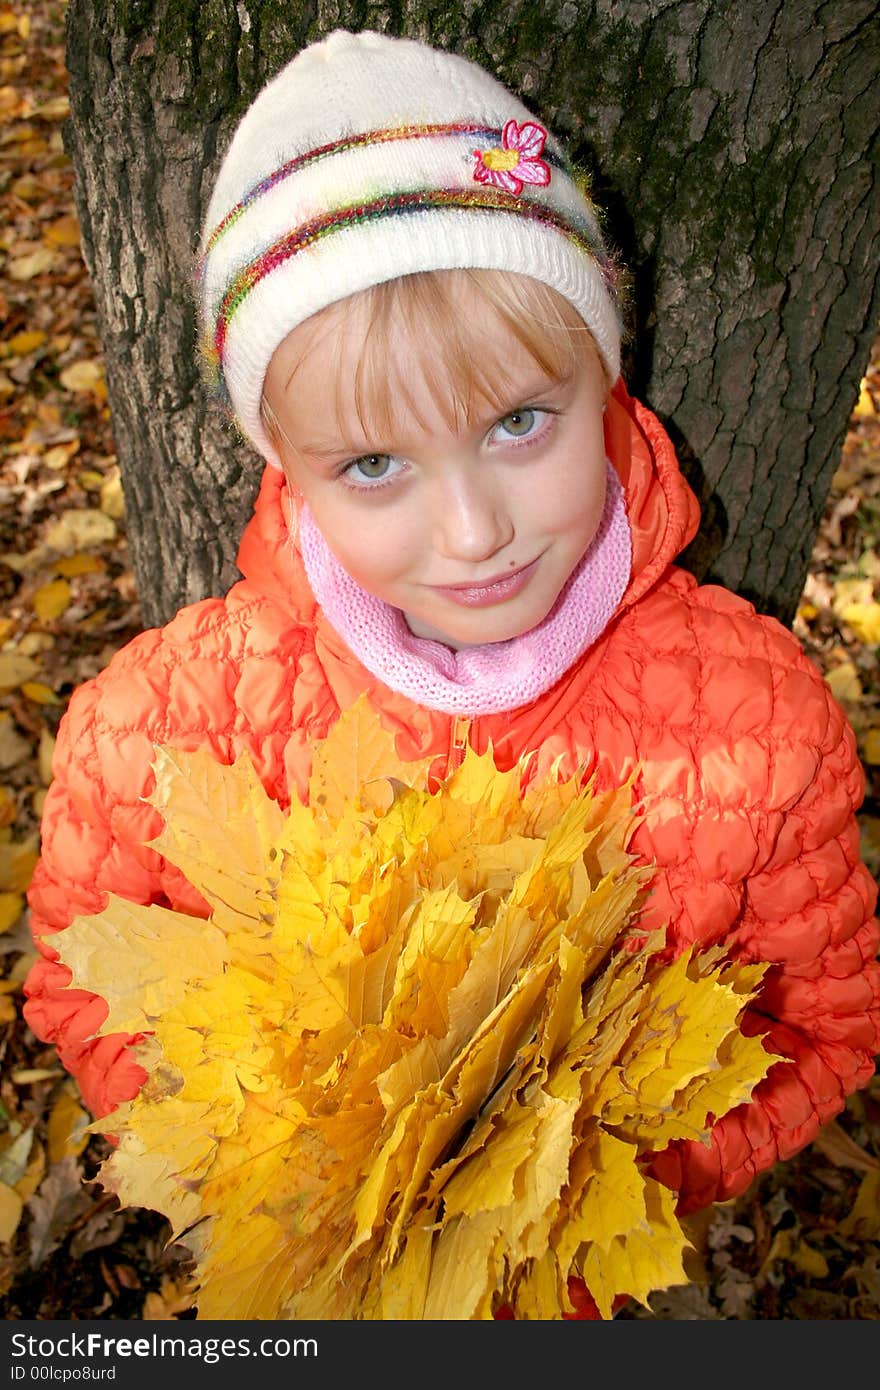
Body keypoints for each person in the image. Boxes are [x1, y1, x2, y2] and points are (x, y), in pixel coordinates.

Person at [23, 28, 879, 1316]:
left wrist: (594, 1190)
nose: (473, 532)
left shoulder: (755, 725)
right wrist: (270, 1175)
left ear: (608, 379)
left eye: (518, 424)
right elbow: (86, 983)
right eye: (374, 464)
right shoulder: (158, 737)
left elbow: (822, 1022)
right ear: (287, 462)